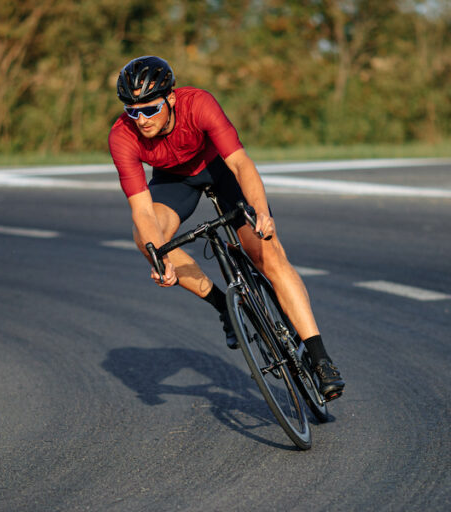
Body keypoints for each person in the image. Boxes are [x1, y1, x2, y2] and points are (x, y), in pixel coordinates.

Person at [108, 55, 345, 400]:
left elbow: (240, 163)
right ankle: (224, 307)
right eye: (132, 110)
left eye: (150, 109)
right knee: (145, 239)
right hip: (174, 182)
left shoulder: (198, 104)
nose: (141, 119)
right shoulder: (122, 136)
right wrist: (159, 259)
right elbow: (142, 210)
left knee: (268, 254)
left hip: (220, 170)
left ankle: (321, 358)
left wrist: (261, 212)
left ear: (170, 98)